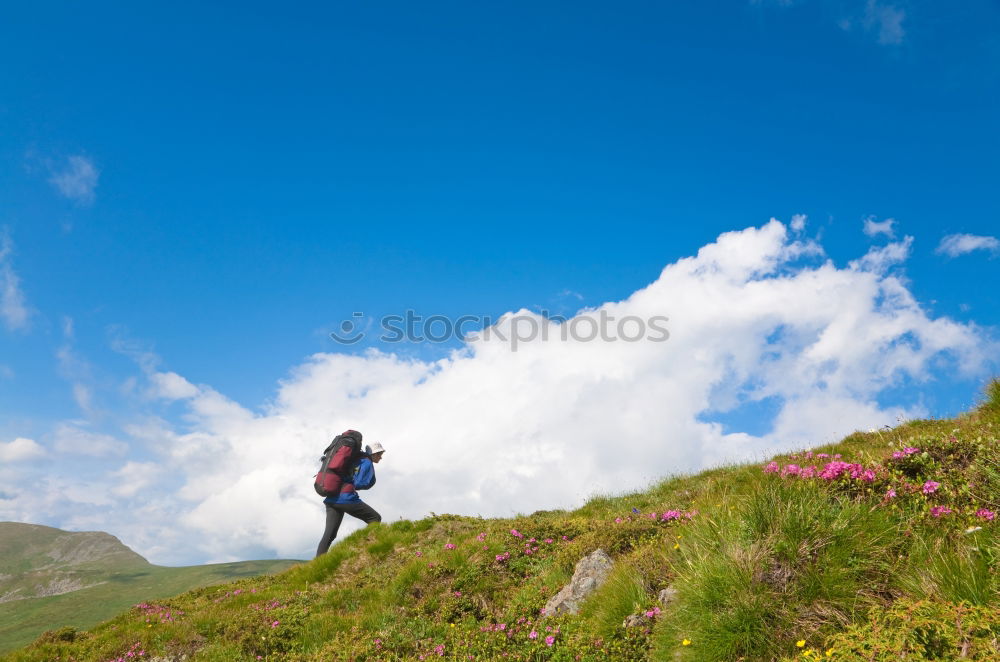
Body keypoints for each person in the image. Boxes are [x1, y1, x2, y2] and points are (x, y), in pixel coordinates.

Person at [316, 441, 385, 556]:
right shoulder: (366, 462)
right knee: (375, 518)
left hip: (332, 498)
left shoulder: (355, 459)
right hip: (346, 498)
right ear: (373, 454)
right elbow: (360, 483)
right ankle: (368, 549)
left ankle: (318, 563)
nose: (381, 457)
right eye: (379, 454)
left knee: (329, 534)